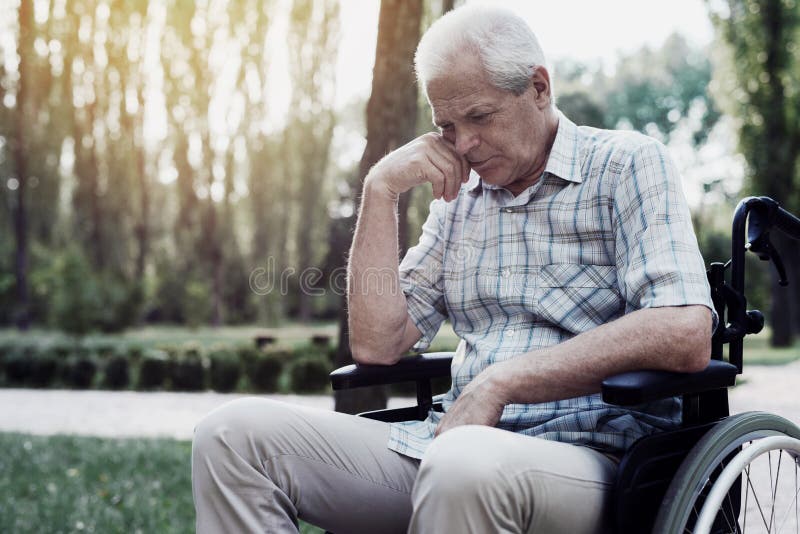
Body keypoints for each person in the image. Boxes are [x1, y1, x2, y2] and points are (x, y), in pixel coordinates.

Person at [192, 5, 715, 533]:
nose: (462, 144)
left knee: (463, 466)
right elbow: (377, 344)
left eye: (480, 118)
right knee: (231, 436)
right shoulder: (460, 196)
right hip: (448, 446)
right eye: (446, 126)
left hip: (589, 457)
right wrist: (381, 191)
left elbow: (684, 328)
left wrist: (501, 383)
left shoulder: (627, 164)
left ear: (538, 88)